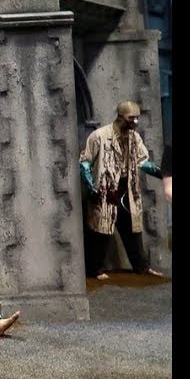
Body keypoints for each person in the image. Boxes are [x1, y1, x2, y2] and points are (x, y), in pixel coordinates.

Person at [80, 101, 164, 279]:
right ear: (120, 117)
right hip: (107, 189)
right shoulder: (99, 136)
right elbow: (85, 161)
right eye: (131, 118)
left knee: (133, 229)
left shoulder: (134, 138)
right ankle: (95, 270)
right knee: (102, 230)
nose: (135, 122)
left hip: (127, 189)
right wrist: (91, 185)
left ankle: (142, 267)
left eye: (137, 118)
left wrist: (163, 174)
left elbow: (143, 162)